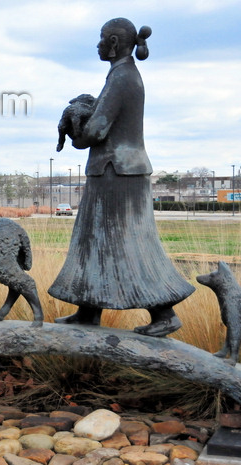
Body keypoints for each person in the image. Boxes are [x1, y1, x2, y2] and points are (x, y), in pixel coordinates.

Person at [48, 18, 194, 337]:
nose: (97, 44)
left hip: (119, 175)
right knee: (92, 241)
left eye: (101, 39)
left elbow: (96, 131)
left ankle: (164, 314)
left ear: (114, 43)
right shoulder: (119, 75)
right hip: (113, 172)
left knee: (128, 244)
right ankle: (87, 309)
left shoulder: (123, 78)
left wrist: (75, 131)